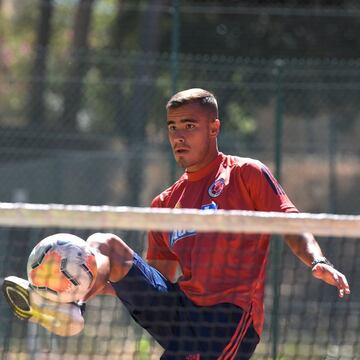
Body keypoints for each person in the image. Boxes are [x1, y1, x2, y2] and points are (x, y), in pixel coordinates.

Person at [3, 88, 350, 359]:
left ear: (214, 128)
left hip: (226, 321)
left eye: (189, 126)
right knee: (104, 244)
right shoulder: (165, 204)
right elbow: (154, 280)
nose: (179, 136)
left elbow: (292, 223)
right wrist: (83, 282)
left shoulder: (245, 174)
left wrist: (317, 261)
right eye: (172, 127)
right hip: (180, 310)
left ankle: (68, 303)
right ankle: (66, 305)